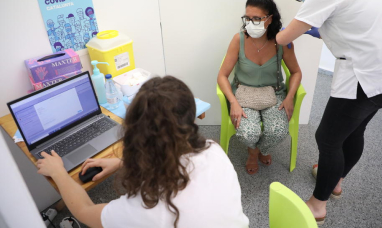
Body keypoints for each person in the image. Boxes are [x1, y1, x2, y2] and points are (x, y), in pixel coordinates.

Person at [275, 0, 382, 224]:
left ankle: (317, 205)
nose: (302, 0)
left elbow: (283, 37)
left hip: (372, 75)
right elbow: (357, 24)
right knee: (355, 129)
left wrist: (282, 30)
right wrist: (317, 30)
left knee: (327, 139)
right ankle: (335, 181)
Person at [37, 76, 249, 228]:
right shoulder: (214, 151)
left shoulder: (144, 209)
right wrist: (121, 163)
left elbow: (84, 211)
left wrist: (59, 173)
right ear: (190, 118)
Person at [217, 0, 302, 175]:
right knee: (248, 133)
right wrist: (233, 102)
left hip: (274, 93)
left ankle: (259, 150)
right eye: (247, 18)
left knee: (278, 131)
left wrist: (288, 98)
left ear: (269, 19)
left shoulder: (281, 41)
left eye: (256, 19)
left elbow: (295, 72)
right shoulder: (238, 39)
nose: (250, 23)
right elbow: (222, 76)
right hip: (243, 93)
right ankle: (254, 151)